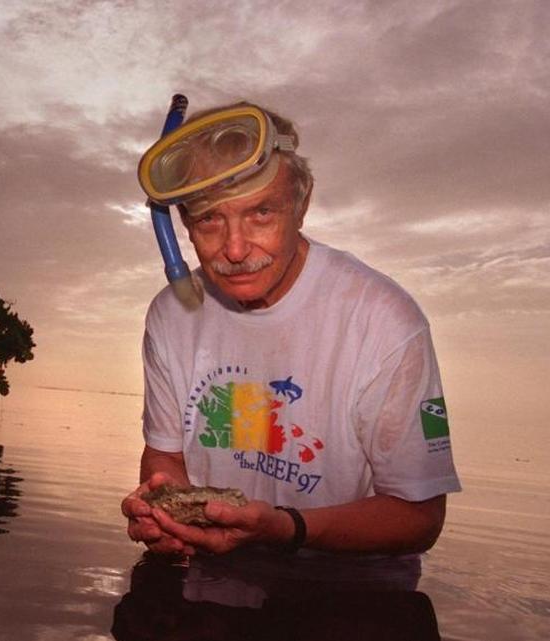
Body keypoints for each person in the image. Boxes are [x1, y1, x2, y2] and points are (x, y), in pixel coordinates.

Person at [122, 100, 461, 572]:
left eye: (261, 213)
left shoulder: (384, 320)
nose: (235, 249)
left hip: (352, 584)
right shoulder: (171, 312)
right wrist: (164, 515)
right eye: (209, 220)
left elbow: (421, 518)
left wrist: (285, 527)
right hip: (213, 570)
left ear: (301, 205)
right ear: (183, 225)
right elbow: (165, 457)